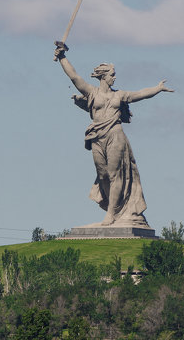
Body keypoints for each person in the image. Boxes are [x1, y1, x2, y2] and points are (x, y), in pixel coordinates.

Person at [54, 41, 173, 226]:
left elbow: (141, 93)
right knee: (102, 175)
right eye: (112, 75)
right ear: (103, 77)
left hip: (115, 135)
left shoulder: (119, 96)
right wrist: (62, 57)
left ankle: (111, 214)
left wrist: (157, 89)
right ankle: (116, 208)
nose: (115, 78)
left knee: (114, 173)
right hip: (97, 136)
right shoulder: (92, 93)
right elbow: (74, 77)